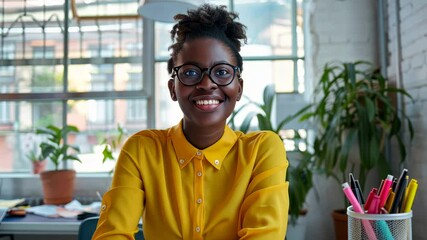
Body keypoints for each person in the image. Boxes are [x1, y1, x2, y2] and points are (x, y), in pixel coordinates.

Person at [92, 3, 289, 240]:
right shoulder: (142, 150)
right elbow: (113, 235)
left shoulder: (261, 151)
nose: (206, 84)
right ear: (172, 89)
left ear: (239, 88)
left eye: (222, 72)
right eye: (190, 73)